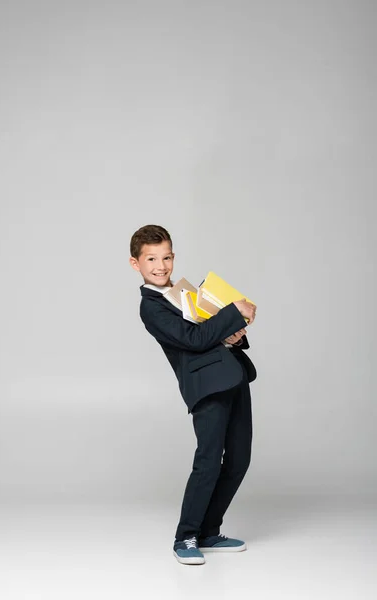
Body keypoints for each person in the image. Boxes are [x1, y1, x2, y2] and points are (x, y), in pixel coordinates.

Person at [129, 224, 257, 566]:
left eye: (166, 257)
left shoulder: (184, 292)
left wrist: (235, 334)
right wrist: (235, 309)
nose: (161, 266)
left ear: (173, 257)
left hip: (233, 377)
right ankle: (185, 536)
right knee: (208, 460)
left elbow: (211, 330)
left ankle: (209, 531)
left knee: (239, 460)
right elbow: (194, 341)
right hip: (205, 386)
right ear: (135, 264)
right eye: (151, 259)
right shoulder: (151, 307)